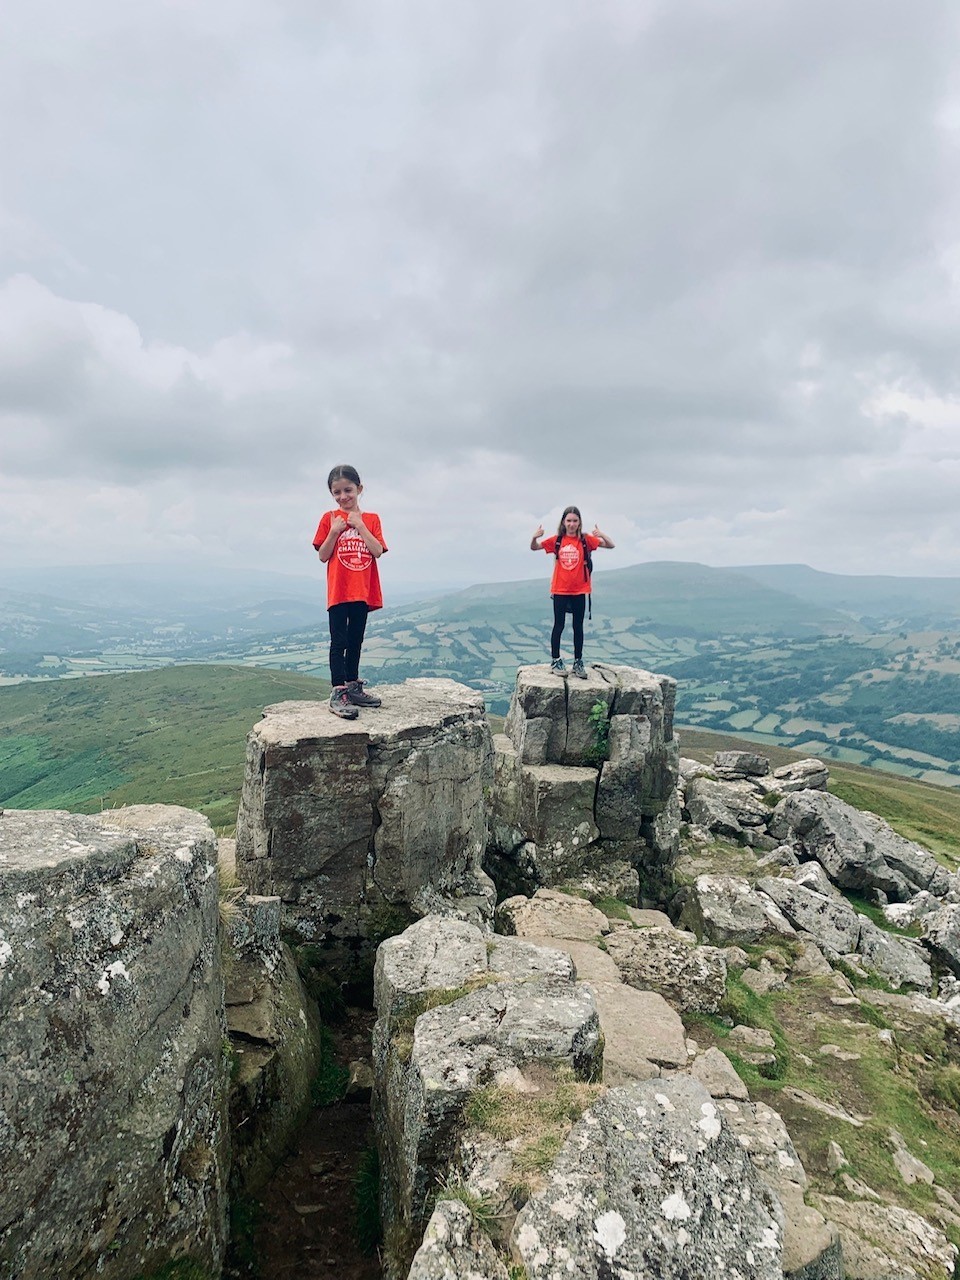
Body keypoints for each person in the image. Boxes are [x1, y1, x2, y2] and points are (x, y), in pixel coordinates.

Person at [312, 464, 387, 719]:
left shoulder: (372, 519)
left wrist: (359, 525)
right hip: (339, 590)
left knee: (356, 639)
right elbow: (323, 555)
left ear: (359, 489)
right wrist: (334, 531)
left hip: (362, 590)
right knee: (339, 641)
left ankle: (353, 686)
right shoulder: (328, 519)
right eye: (337, 492)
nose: (343, 497)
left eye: (348, 490)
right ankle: (338, 691)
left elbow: (377, 550)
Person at [530, 506, 614, 678]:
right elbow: (535, 548)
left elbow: (611, 545)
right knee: (558, 625)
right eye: (569, 521)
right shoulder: (557, 540)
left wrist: (601, 534)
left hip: (580, 590)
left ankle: (578, 662)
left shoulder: (585, 540)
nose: (571, 524)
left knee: (578, 627)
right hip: (560, 589)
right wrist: (534, 537)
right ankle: (555, 660)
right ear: (563, 522)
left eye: (575, 521)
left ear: (579, 523)